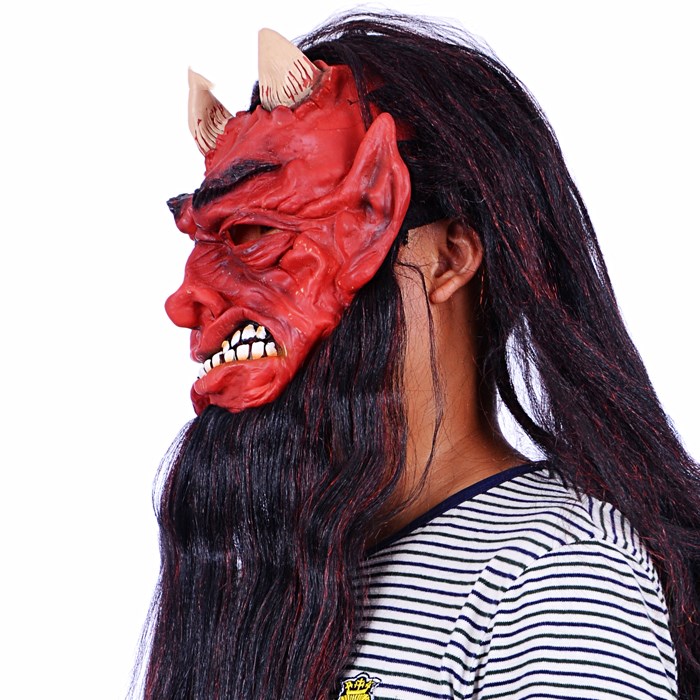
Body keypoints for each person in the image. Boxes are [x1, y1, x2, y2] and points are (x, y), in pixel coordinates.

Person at [132, 12, 700, 700]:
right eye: (208, 242)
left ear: (449, 258)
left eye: (256, 235)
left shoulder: (556, 577)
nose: (187, 300)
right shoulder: (289, 577)